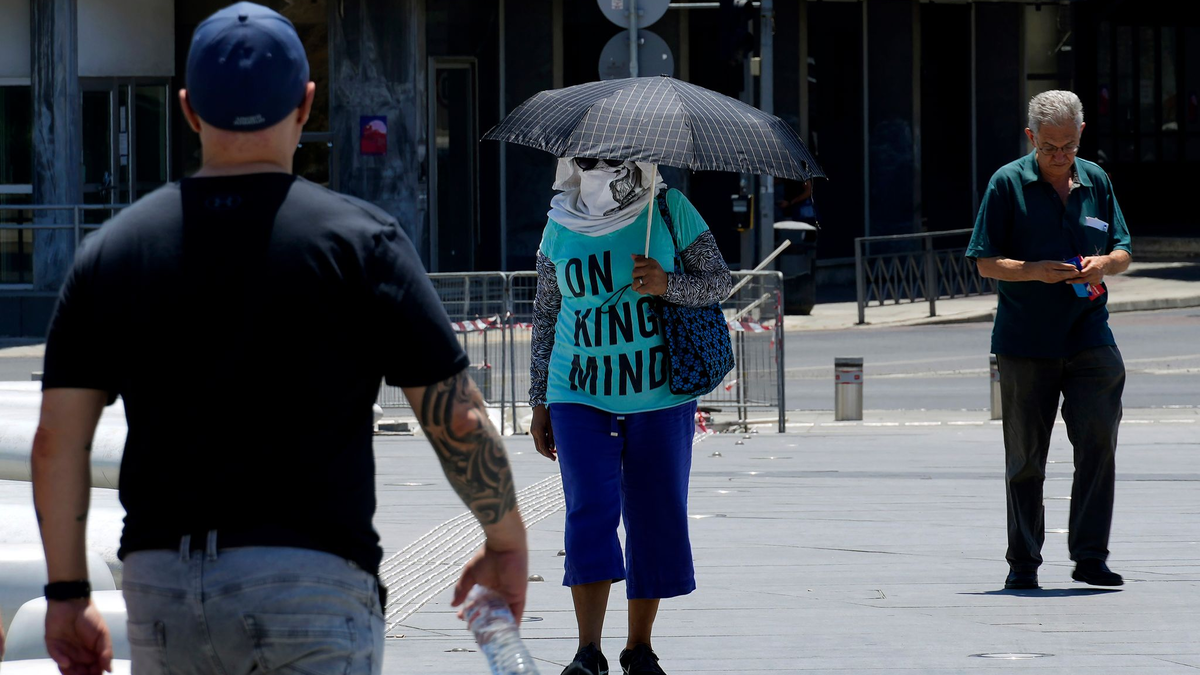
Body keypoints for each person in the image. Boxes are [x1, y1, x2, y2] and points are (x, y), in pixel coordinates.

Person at [31, 4, 527, 674]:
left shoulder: (112, 251)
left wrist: (67, 593)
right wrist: (505, 541)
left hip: (165, 585)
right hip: (313, 581)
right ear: (306, 102)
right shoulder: (362, 243)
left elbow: (57, 440)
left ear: (188, 109)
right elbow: (458, 419)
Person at [528, 157, 732, 675]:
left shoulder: (669, 208)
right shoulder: (560, 222)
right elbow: (547, 314)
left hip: (661, 397)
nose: (600, 164)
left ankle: (639, 648)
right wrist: (539, 400)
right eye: (587, 156)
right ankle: (587, 652)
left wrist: (667, 284)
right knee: (588, 514)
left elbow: (718, 283)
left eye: (612, 154)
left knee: (655, 515)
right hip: (577, 393)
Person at [967, 90, 1132, 591]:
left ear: (1081, 135)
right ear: (1030, 137)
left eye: (1068, 145)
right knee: (1025, 458)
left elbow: (1123, 249)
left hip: (1089, 332)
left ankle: (1090, 557)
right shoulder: (1006, 183)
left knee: (1099, 440)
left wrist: (1105, 263)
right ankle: (1023, 562)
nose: (1060, 156)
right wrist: (1033, 270)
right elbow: (984, 262)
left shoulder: (1096, 179)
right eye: (1049, 147)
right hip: (1025, 340)